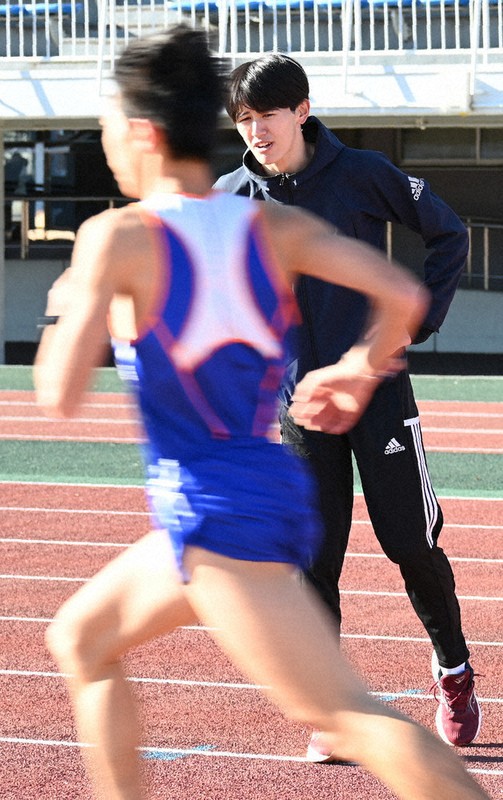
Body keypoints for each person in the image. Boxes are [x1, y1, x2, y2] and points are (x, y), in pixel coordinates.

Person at [33, 26, 489, 800]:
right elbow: (402, 292)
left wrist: (67, 307)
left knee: (349, 715)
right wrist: (353, 364)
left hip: (219, 515)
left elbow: (60, 393)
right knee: (80, 639)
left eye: (105, 125)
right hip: (240, 489)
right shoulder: (265, 221)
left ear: (140, 132)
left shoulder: (115, 237)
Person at [214, 53, 481, 761]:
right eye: (242, 121)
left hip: (378, 393)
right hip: (297, 408)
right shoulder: (231, 195)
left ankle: (453, 672)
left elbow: (448, 234)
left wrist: (409, 328)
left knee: (410, 545)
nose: (255, 132)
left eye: (265, 116)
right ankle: (330, 709)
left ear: (300, 109)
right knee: (313, 561)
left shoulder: (363, 174)